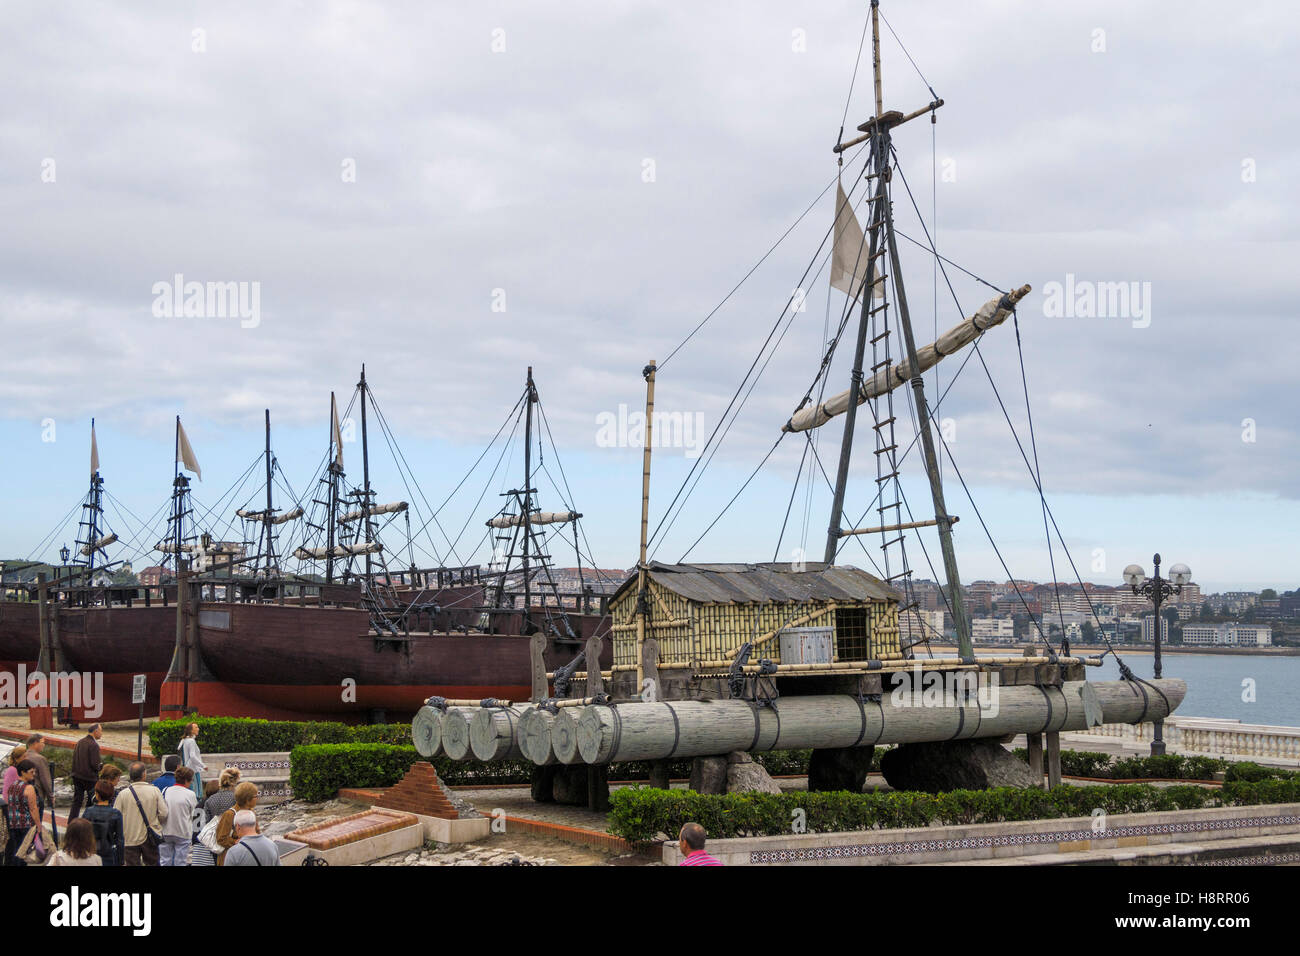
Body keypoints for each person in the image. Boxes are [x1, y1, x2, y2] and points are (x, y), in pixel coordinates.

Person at [114, 762, 168, 866]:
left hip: (129, 836)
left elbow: (116, 815)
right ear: (144, 774)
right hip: (150, 834)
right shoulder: (154, 791)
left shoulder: (123, 794)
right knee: (152, 862)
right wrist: (155, 822)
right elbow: (164, 813)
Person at [191, 767, 240, 867]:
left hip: (216, 840)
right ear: (234, 783)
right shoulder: (236, 798)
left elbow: (207, 823)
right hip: (232, 840)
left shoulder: (210, 800)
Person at [5, 760, 41, 867]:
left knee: (16, 850)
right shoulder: (29, 788)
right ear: (23, 772)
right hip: (26, 823)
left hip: (13, 823)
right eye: (31, 772)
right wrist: (38, 825)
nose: (33, 774)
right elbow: (33, 808)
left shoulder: (12, 786)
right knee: (24, 852)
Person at [81, 779, 125, 866]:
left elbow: (82, 834)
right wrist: (121, 860)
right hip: (109, 852)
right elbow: (120, 839)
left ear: (96, 794)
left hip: (91, 851)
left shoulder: (88, 812)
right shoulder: (116, 813)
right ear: (112, 795)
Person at [215, 781, 258, 866]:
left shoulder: (251, 812)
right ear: (247, 799)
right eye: (255, 796)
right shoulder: (229, 814)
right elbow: (221, 838)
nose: (257, 798)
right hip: (230, 857)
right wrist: (235, 842)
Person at [161, 766, 197, 866]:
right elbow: (194, 815)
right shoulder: (190, 794)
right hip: (183, 831)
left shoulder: (165, 790)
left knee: (165, 861)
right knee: (181, 862)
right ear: (186, 780)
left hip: (166, 830)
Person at [70, 723, 104, 821]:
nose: (101, 733)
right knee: (92, 800)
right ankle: (88, 821)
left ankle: (71, 821)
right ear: (96, 731)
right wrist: (101, 766)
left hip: (77, 776)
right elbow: (95, 764)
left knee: (77, 801)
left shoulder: (80, 742)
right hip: (89, 778)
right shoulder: (94, 745)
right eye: (101, 731)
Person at [178, 723, 207, 802]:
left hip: (187, 769)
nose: (198, 729)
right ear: (191, 730)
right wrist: (203, 765)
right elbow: (193, 756)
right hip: (193, 770)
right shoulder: (191, 741)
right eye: (196, 727)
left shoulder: (184, 740)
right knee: (196, 794)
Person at [23, 735, 52, 811]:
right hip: (37, 794)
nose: (44, 745)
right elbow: (45, 779)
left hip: (23, 792)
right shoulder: (40, 759)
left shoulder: (22, 756)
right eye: (42, 742)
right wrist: (51, 796)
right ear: (36, 743)